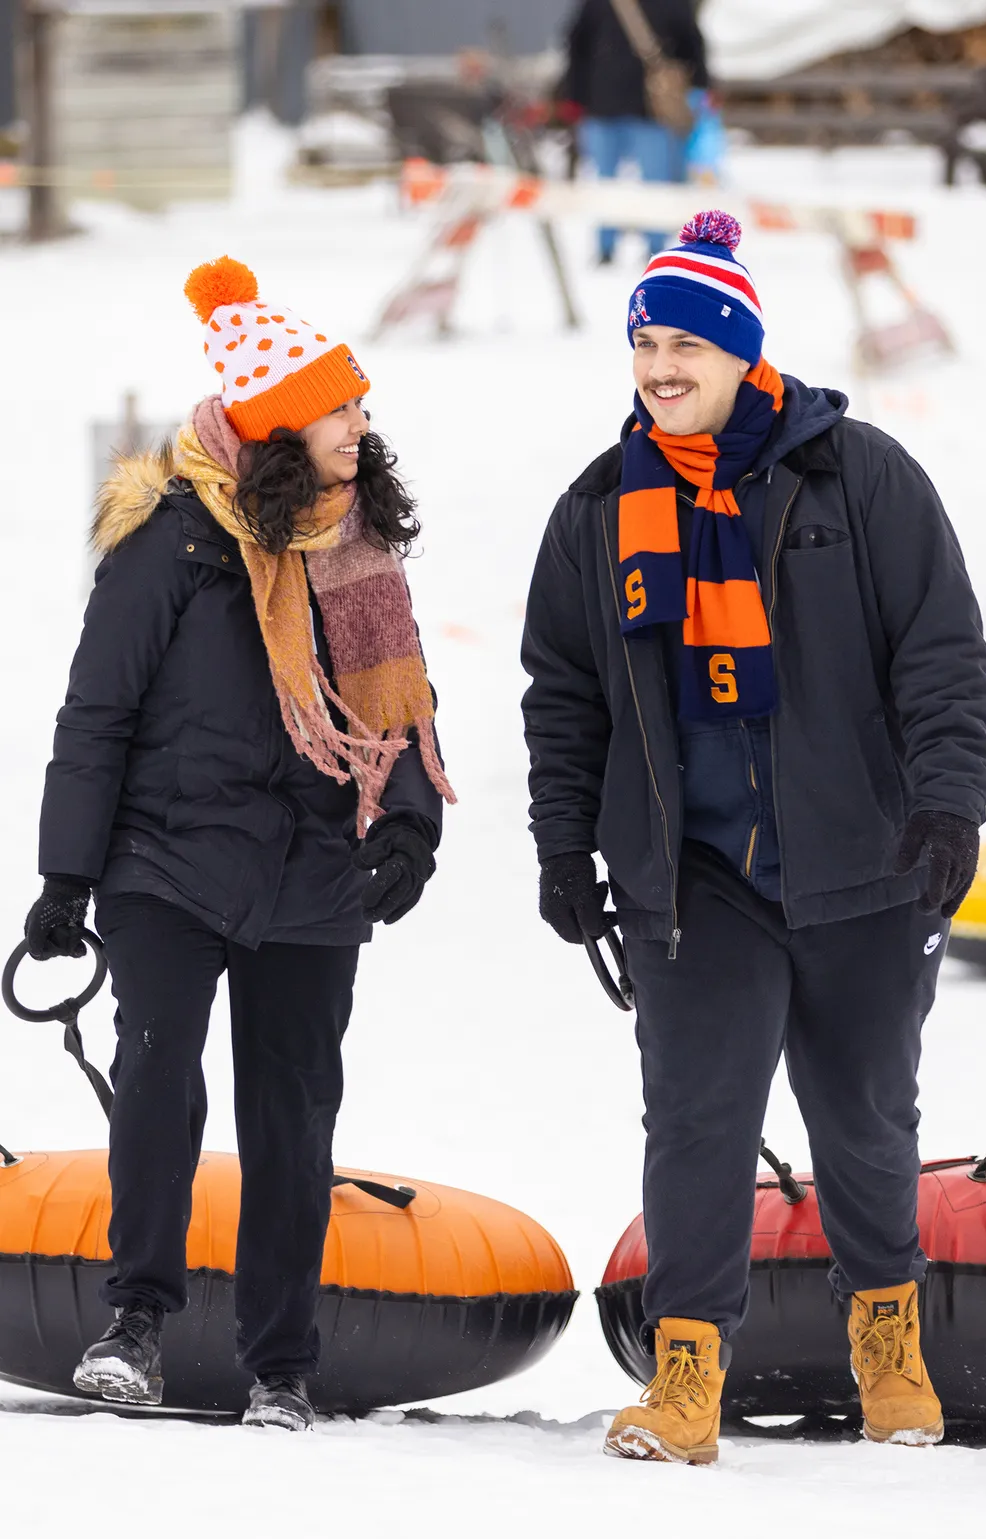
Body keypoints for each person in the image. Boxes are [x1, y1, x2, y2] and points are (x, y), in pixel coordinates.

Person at [522, 211, 986, 1464]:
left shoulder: (862, 477)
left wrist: (948, 803)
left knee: (863, 1123)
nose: (659, 368)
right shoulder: (595, 510)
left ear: (739, 353)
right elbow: (561, 696)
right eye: (644, 347)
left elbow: (940, 657)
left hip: (862, 864)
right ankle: (686, 1382)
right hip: (696, 879)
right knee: (695, 1119)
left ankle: (886, 1344)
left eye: (684, 344)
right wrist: (563, 847)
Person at [24, 256, 454, 1431]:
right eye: (338, 409)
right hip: (166, 862)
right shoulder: (169, 541)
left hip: (313, 875)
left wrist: (409, 824)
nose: (360, 427)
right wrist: (67, 875)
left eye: (360, 406)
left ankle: (280, 1365)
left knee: (294, 1111)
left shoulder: (357, 551)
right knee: (160, 1081)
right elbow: (96, 710)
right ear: (276, 428)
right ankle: (138, 1322)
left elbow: (401, 704)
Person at [560, 0, 708, 263]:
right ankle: (610, 245)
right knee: (610, 182)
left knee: (648, 182)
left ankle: (651, 247)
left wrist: (576, 97)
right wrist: (575, 96)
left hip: (641, 108)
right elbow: (577, 45)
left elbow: (691, 44)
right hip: (613, 106)